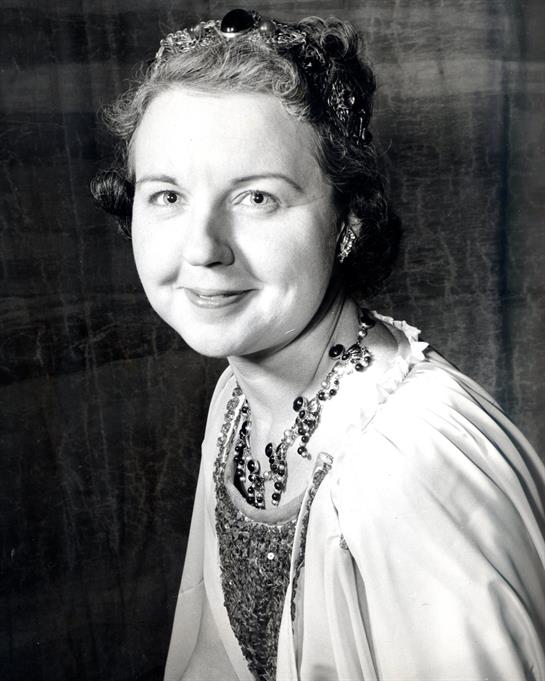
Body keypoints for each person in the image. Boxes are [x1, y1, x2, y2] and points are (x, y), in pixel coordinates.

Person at [91, 9, 545, 681]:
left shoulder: (411, 461)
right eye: (167, 196)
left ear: (347, 222)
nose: (202, 249)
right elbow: (213, 661)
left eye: (257, 199)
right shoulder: (238, 400)